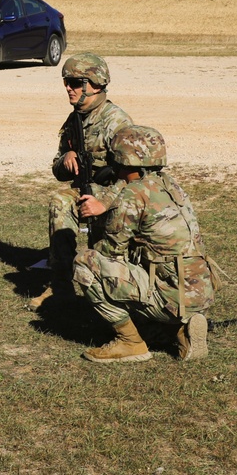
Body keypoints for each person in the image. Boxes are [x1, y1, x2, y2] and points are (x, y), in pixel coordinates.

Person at [73, 125, 217, 362]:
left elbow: (110, 250)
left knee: (86, 262)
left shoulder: (134, 194)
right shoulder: (171, 186)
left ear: (122, 159)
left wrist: (99, 221)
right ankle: (180, 331)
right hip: (197, 290)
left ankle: (130, 343)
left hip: (171, 293)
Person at [30, 53, 134, 309]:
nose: (68, 88)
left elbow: (132, 177)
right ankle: (60, 284)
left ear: (95, 84)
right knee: (60, 201)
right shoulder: (74, 120)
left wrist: (103, 202)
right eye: (66, 82)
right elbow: (57, 170)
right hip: (86, 189)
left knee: (104, 257)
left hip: (117, 195)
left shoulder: (117, 122)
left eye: (76, 83)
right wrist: (67, 159)